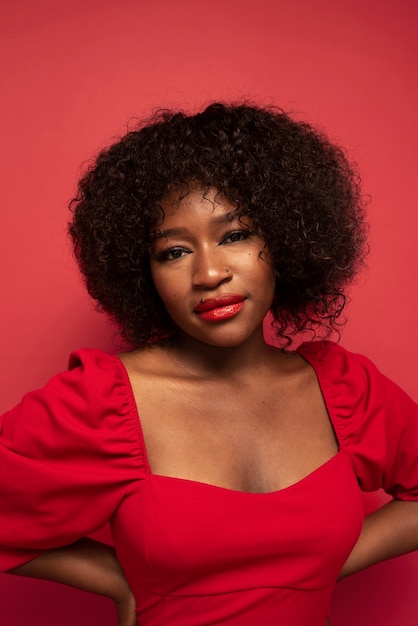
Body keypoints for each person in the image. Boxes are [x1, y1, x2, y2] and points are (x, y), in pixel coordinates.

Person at [1, 102, 417, 626]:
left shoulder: (344, 392)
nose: (209, 272)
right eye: (173, 252)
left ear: (286, 239)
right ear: (142, 274)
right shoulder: (104, 403)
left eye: (236, 235)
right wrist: (116, 580)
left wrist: (315, 568)